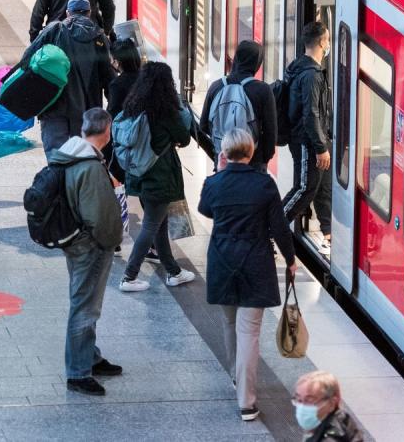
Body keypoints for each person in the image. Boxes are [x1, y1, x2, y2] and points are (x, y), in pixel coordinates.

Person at [198, 129, 296, 421]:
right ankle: (246, 402)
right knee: (249, 333)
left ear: (225, 154)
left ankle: (235, 375)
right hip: (255, 261)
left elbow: (206, 209)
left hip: (222, 259)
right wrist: (290, 259)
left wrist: (219, 171)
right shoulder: (264, 184)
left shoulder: (213, 183)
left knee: (230, 323)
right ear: (251, 152)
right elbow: (279, 227)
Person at [47, 108, 124, 396]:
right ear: (107, 131)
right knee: (84, 306)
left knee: (86, 301)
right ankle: (78, 372)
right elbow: (99, 216)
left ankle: (90, 356)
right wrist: (110, 239)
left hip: (74, 239)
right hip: (89, 245)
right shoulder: (89, 166)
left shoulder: (71, 152)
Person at [119, 62, 196, 292]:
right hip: (159, 178)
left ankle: (174, 271)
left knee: (158, 225)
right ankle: (129, 276)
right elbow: (184, 138)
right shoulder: (166, 113)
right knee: (151, 225)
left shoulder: (132, 107)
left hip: (138, 175)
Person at [22, 0, 111, 160]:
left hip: (53, 106)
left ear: (68, 13)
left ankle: (59, 184)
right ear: (89, 13)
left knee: (56, 160)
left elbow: (27, 59)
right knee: (83, 160)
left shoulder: (54, 30)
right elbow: (108, 77)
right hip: (86, 112)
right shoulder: (99, 37)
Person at [282, 21, 333, 256]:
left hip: (310, 139)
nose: (329, 43)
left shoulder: (299, 67)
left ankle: (327, 231)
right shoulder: (311, 75)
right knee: (305, 188)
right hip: (306, 141)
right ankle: (271, 229)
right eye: (328, 39)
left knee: (322, 186)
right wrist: (321, 147)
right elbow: (311, 114)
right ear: (322, 42)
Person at [199, 40, 278, 172]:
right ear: (257, 62)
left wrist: (222, 149)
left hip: (223, 159)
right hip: (253, 162)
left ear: (236, 58)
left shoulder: (216, 86)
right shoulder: (262, 90)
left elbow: (203, 126)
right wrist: (263, 159)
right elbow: (271, 133)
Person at [104, 37, 140, 183]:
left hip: (128, 140)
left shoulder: (117, 85)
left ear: (118, 62)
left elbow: (111, 117)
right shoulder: (148, 78)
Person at [294, 371, 364, 442]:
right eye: (299, 400)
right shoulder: (343, 420)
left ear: (332, 403)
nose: (301, 407)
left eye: (309, 401)